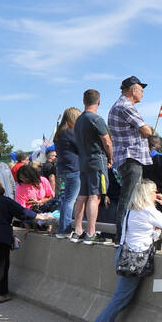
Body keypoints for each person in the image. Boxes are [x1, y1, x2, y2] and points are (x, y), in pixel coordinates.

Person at [85, 180, 162, 322]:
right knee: (121, 298)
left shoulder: (131, 211)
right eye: (155, 191)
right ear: (148, 194)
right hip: (135, 258)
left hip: (124, 254)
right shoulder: (148, 211)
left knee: (120, 296)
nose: (157, 195)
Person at [109, 76, 153, 235]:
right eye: (141, 90)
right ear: (133, 90)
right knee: (129, 199)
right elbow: (147, 130)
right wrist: (147, 129)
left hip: (125, 158)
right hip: (131, 158)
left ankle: (123, 235)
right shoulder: (126, 106)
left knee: (128, 198)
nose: (142, 94)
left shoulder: (118, 106)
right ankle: (122, 237)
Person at [72, 89, 113, 244]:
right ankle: (90, 232)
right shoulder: (96, 119)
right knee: (94, 197)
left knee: (82, 196)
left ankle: (77, 230)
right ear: (99, 102)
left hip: (83, 164)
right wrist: (111, 157)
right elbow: (107, 142)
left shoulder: (79, 121)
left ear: (84, 101)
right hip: (97, 163)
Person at [53, 108, 81, 237]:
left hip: (64, 169)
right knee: (70, 200)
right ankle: (65, 230)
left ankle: (63, 229)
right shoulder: (70, 132)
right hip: (73, 169)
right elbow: (82, 146)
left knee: (67, 200)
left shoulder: (59, 134)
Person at [142, 135, 162, 208]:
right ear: (154, 144)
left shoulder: (143, 159)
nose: (160, 146)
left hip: (147, 193)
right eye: (159, 144)